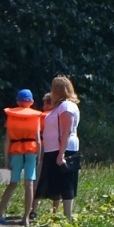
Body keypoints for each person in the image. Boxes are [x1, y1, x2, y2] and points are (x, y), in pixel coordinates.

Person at [35, 76, 82, 217]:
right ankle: (57, 215)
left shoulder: (66, 106)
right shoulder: (61, 107)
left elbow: (66, 130)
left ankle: (68, 217)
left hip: (62, 149)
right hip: (54, 149)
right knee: (54, 182)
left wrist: (61, 154)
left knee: (66, 182)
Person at [0, 90, 43, 225]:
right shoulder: (35, 116)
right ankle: (26, 218)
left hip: (16, 152)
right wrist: (39, 157)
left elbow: (7, 141)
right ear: (31, 102)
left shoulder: (12, 115)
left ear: (17, 101)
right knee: (29, 184)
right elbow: (38, 140)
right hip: (30, 152)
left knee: (13, 183)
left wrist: (6, 160)